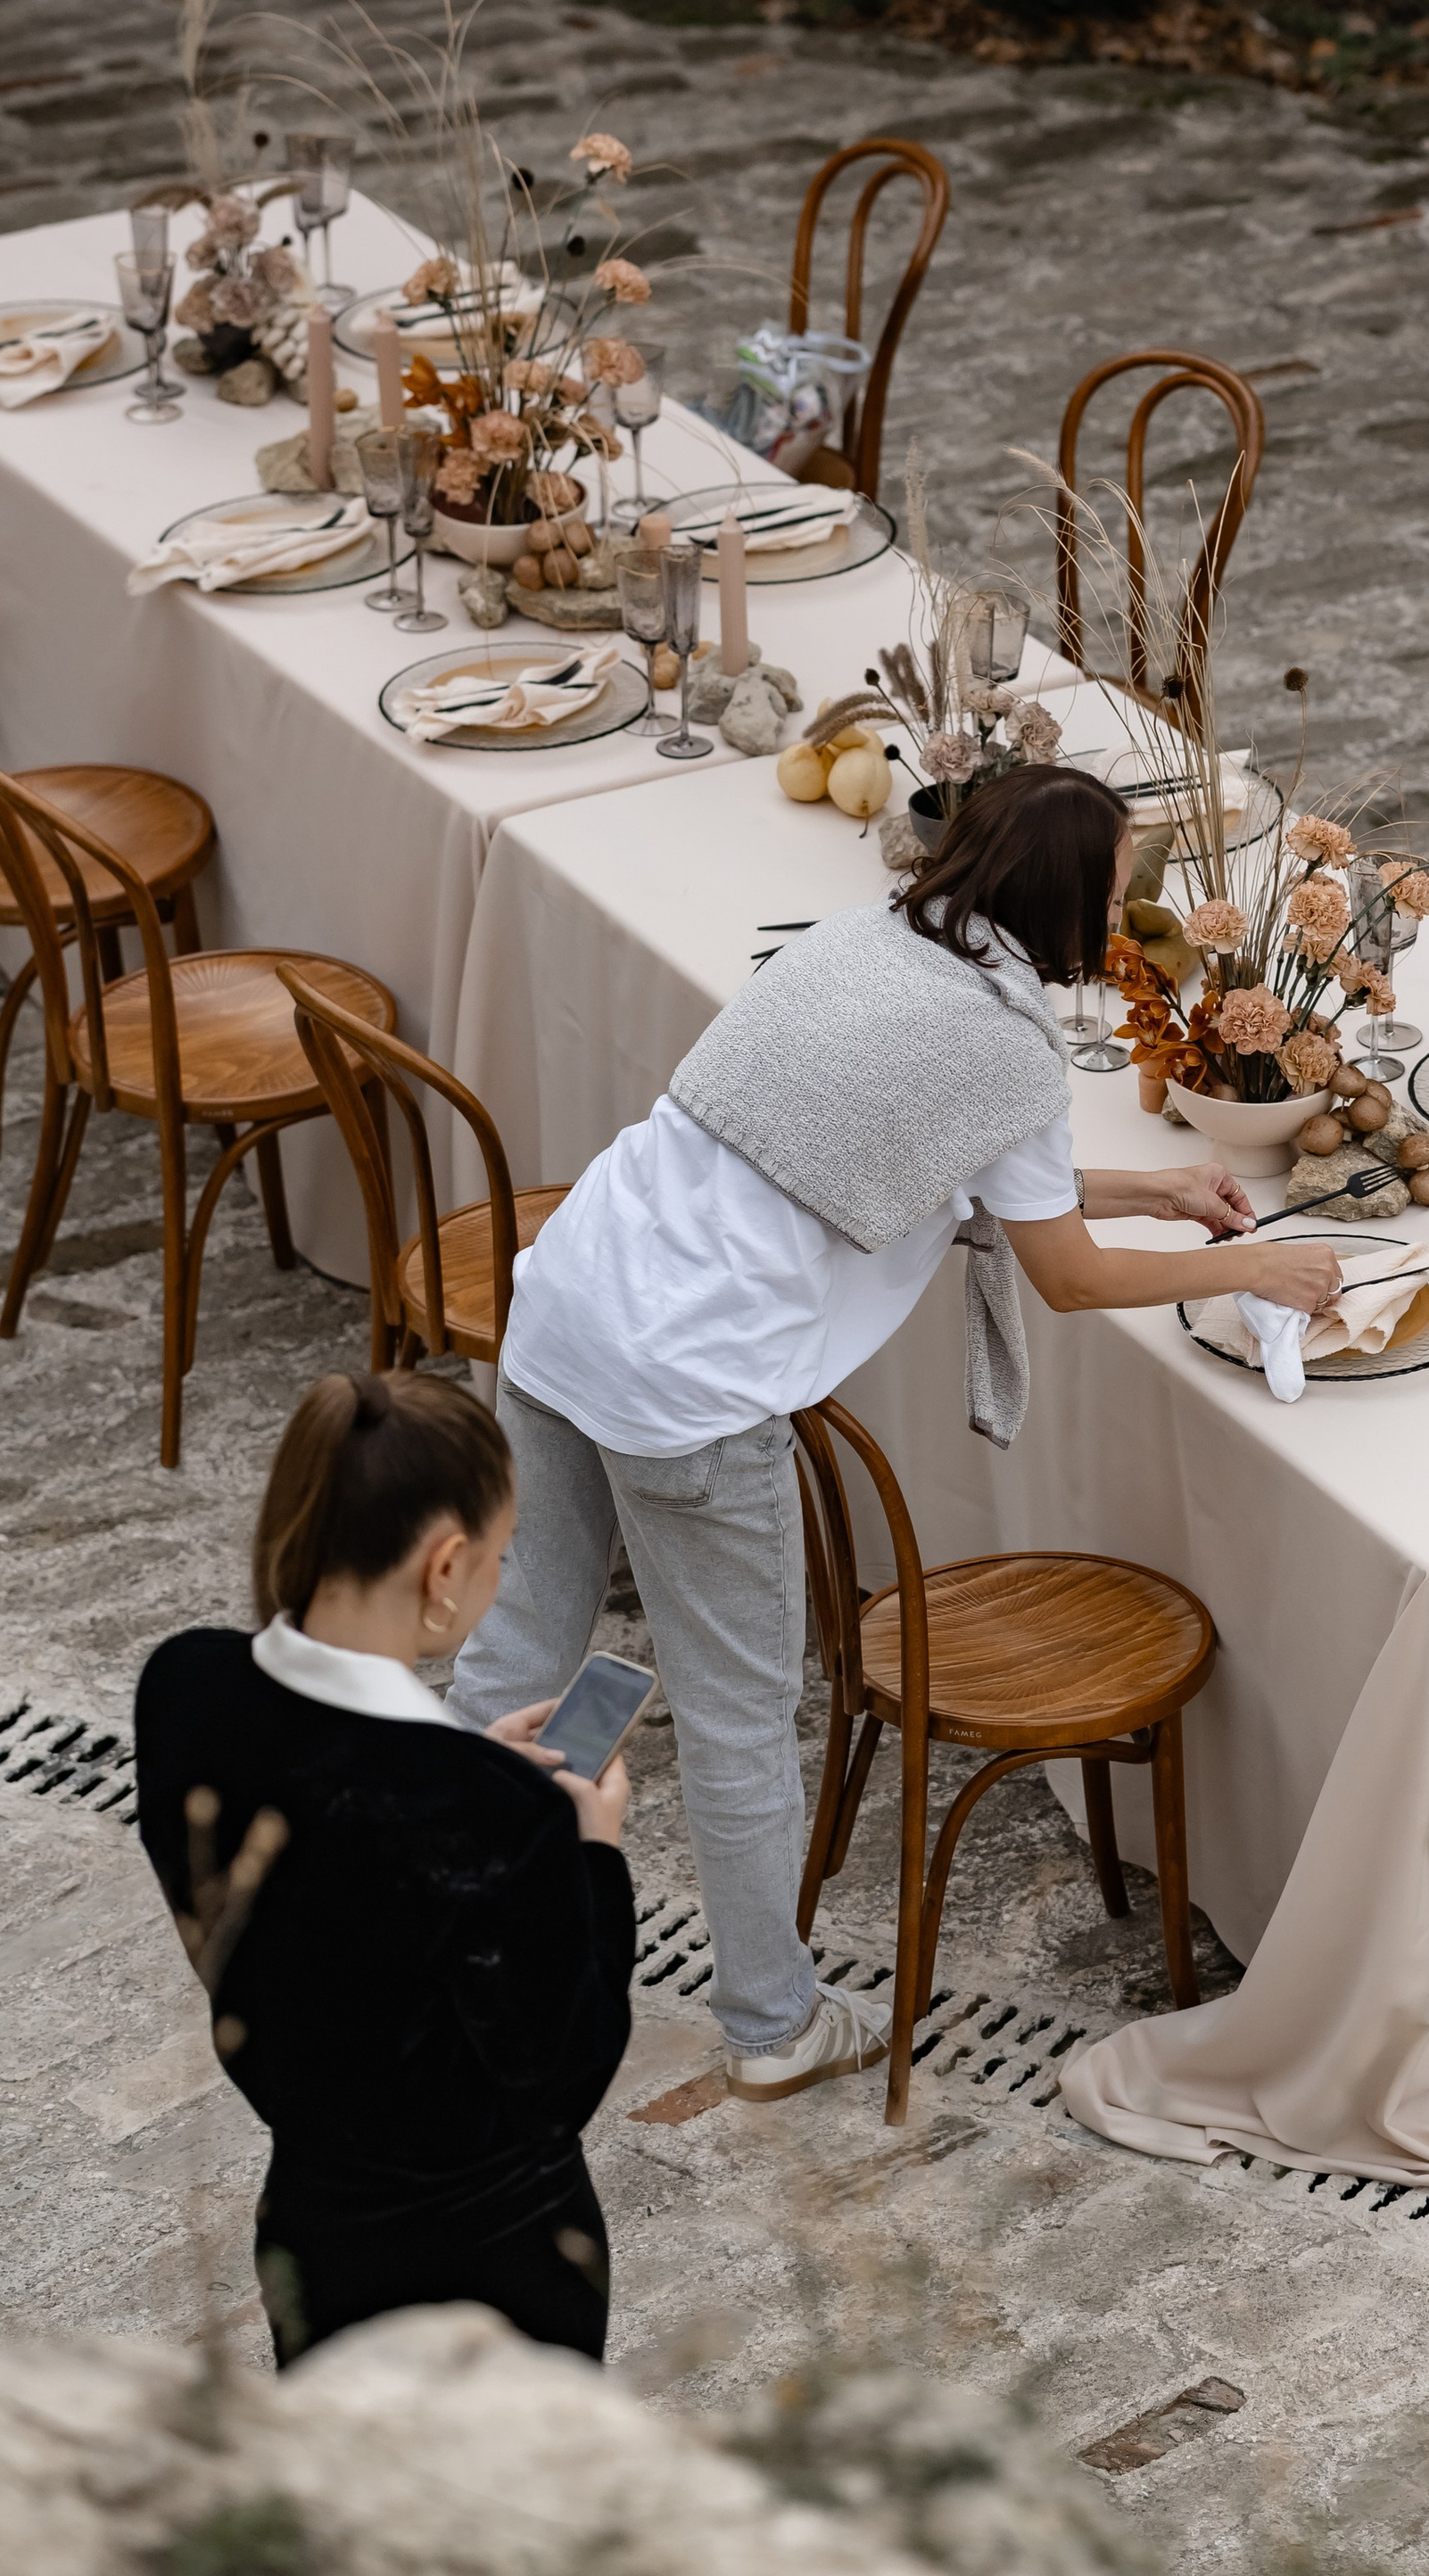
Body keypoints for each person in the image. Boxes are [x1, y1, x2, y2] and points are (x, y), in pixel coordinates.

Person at [451, 759, 1342, 2102]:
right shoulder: (1004, 1044)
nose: (1123, 908)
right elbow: (1069, 1277)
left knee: (525, 1647)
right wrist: (1252, 1273)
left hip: (572, 1304)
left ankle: (441, 1913)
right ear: (1062, 901)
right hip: (691, 1388)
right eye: (1112, 887)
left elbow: (929, 1162)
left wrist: (1152, 1192)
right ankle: (769, 2029)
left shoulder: (864, 946)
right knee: (739, 1721)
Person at [134, 1370, 635, 2368]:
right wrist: (594, 1852)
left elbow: (340, 1840)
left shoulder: (182, 1684)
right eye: (502, 1553)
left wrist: (466, 1754)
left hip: (314, 2224)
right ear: (446, 1565)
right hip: (496, 2260)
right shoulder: (498, 1815)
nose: (498, 1575)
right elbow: (562, 2074)